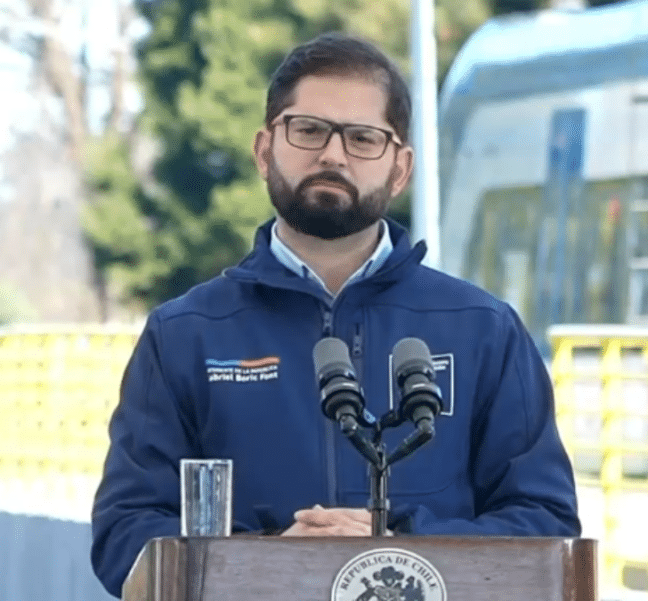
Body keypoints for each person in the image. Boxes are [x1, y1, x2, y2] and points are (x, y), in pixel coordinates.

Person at [90, 31, 581, 597]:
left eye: (363, 138)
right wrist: (273, 554)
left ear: (401, 168)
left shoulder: (481, 329)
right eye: (308, 130)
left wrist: (396, 542)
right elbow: (124, 535)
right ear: (263, 148)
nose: (332, 153)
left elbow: (546, 526)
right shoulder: (185, 335)